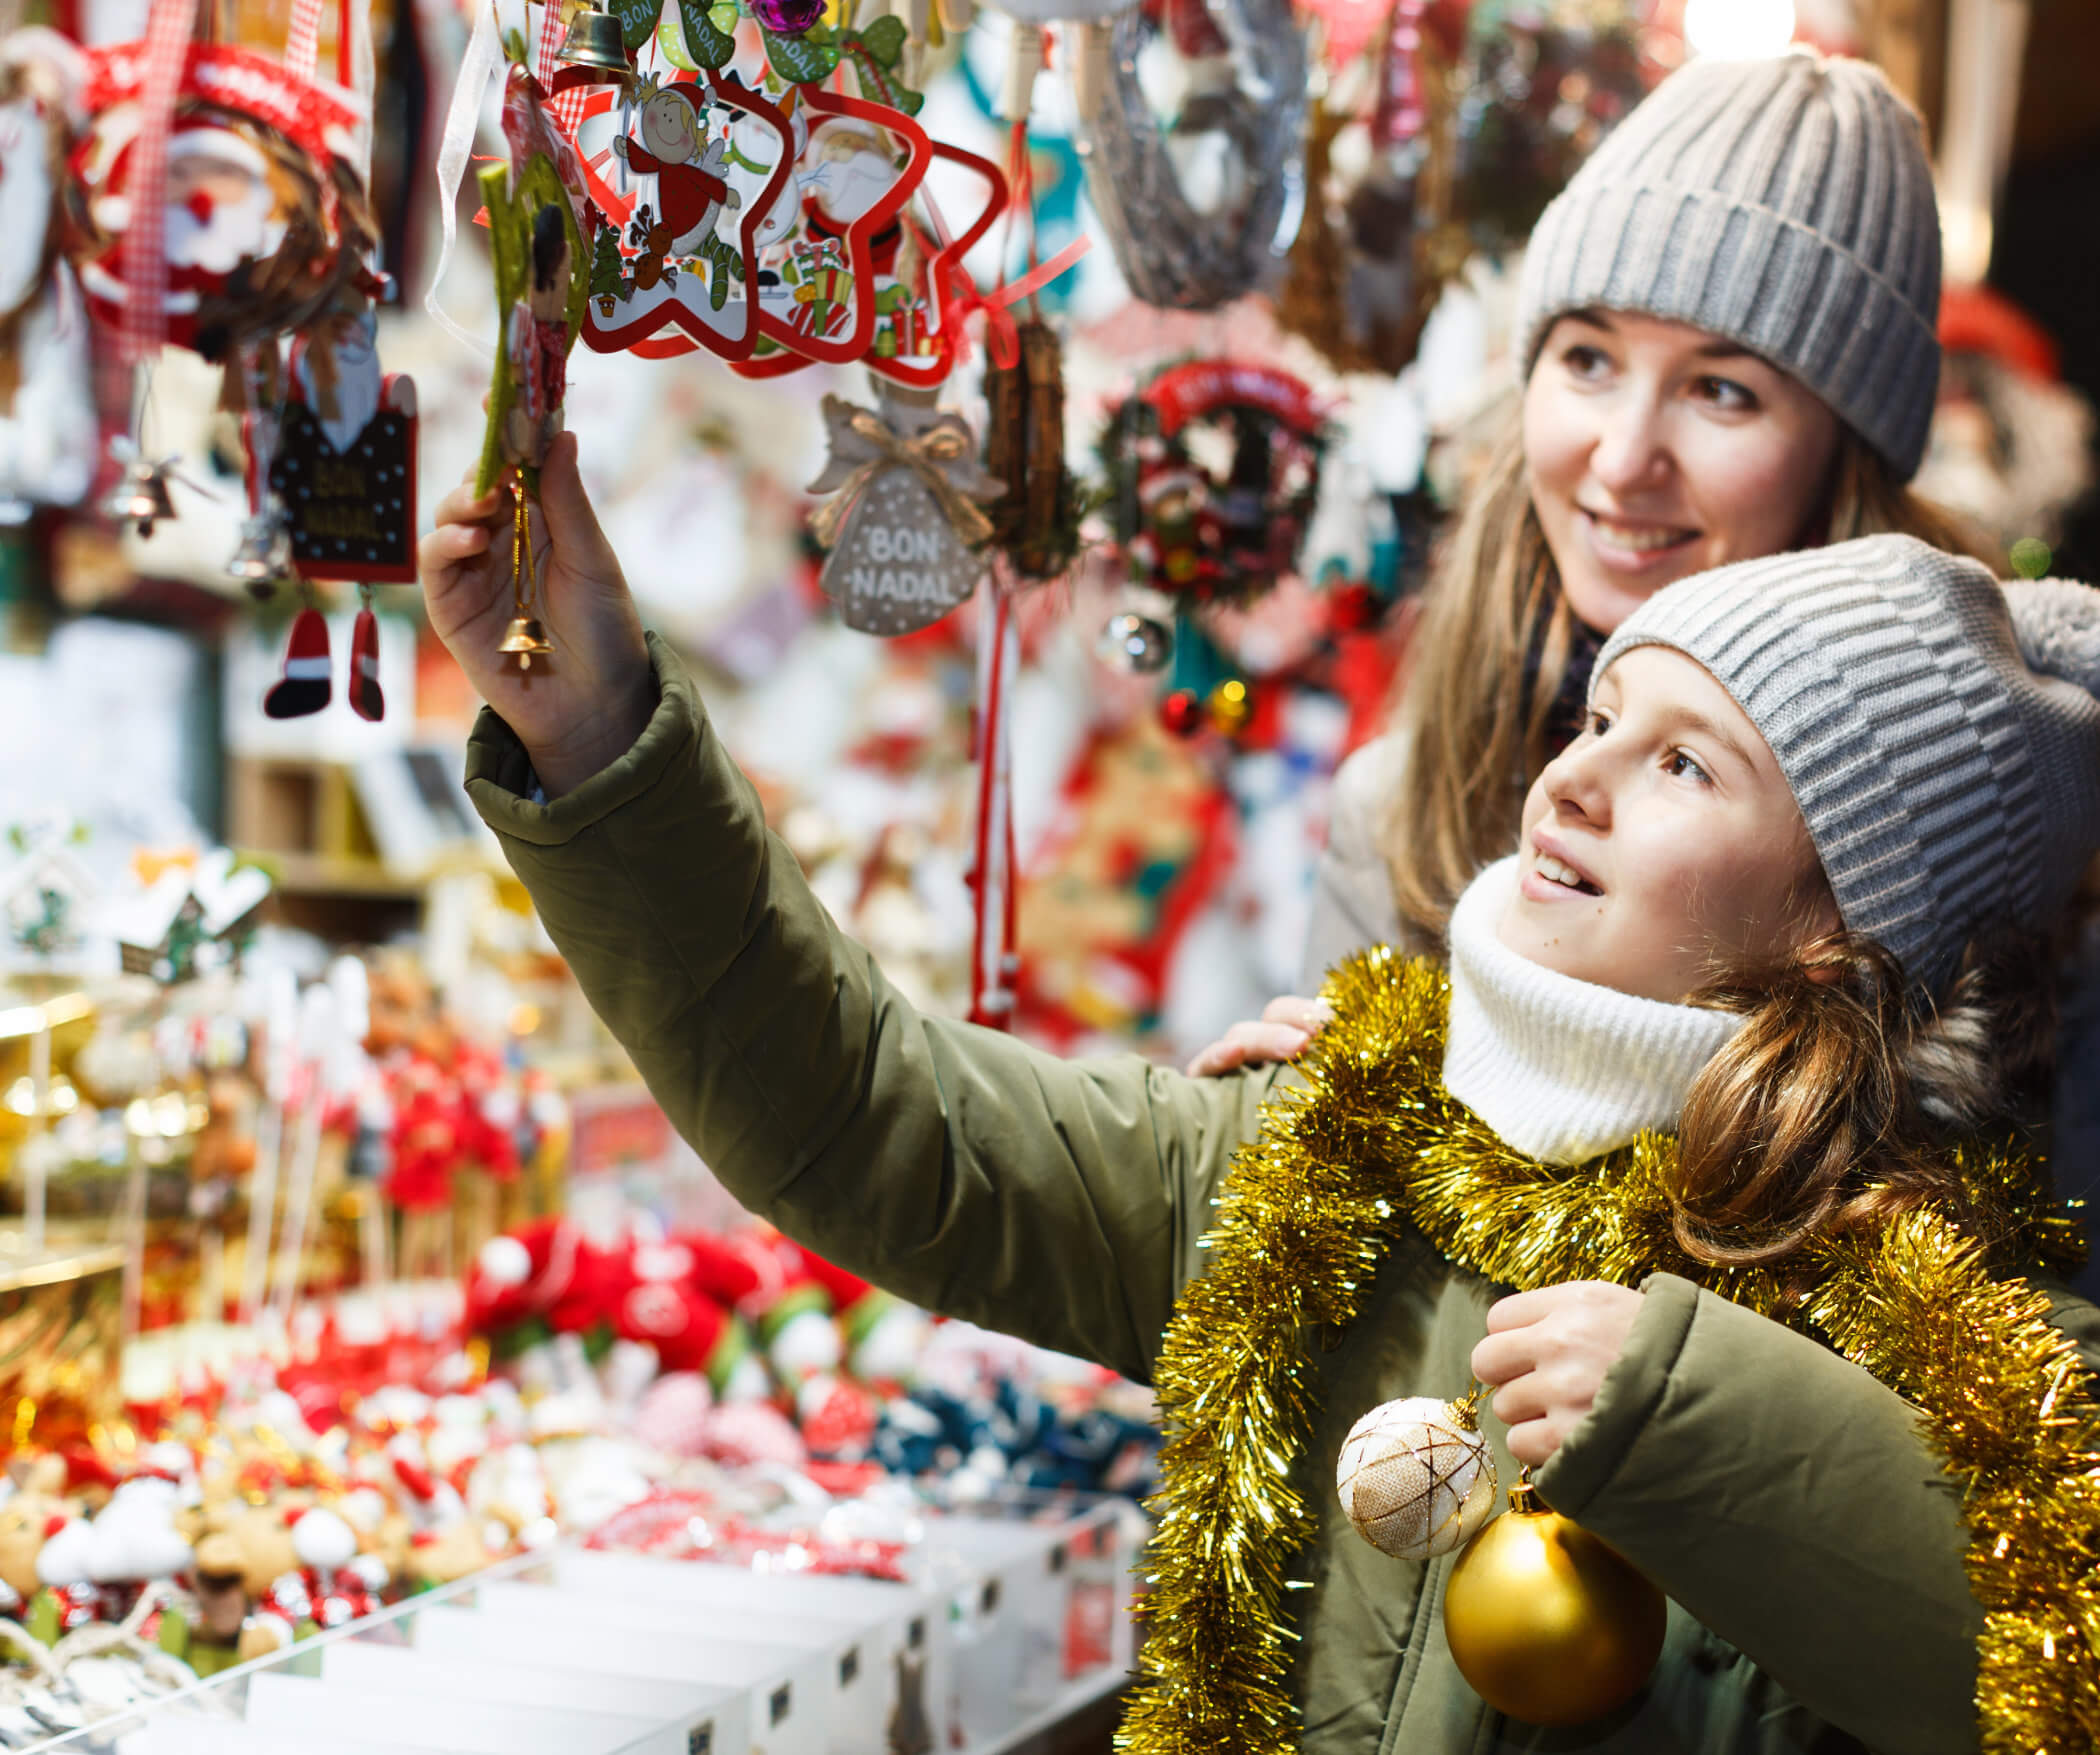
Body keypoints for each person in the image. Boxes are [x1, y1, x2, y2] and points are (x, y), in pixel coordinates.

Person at [423, 392, 2100, 1742]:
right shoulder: (1321, 1148)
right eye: (1597, 722)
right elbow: (865, 1114)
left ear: (1836, 930)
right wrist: (600, 740)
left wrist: (1691, 1412)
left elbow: (2046, 1660)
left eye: (1682, 764)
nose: (1575, 785)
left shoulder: (1966, 1329)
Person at [1188, 47, 1981, 1080]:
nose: (1621, 458)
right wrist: (1298, 1140)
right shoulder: (1405, 806)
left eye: (1722, 391)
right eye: (1589, 360)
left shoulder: (1986, 842)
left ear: (1846, 456)